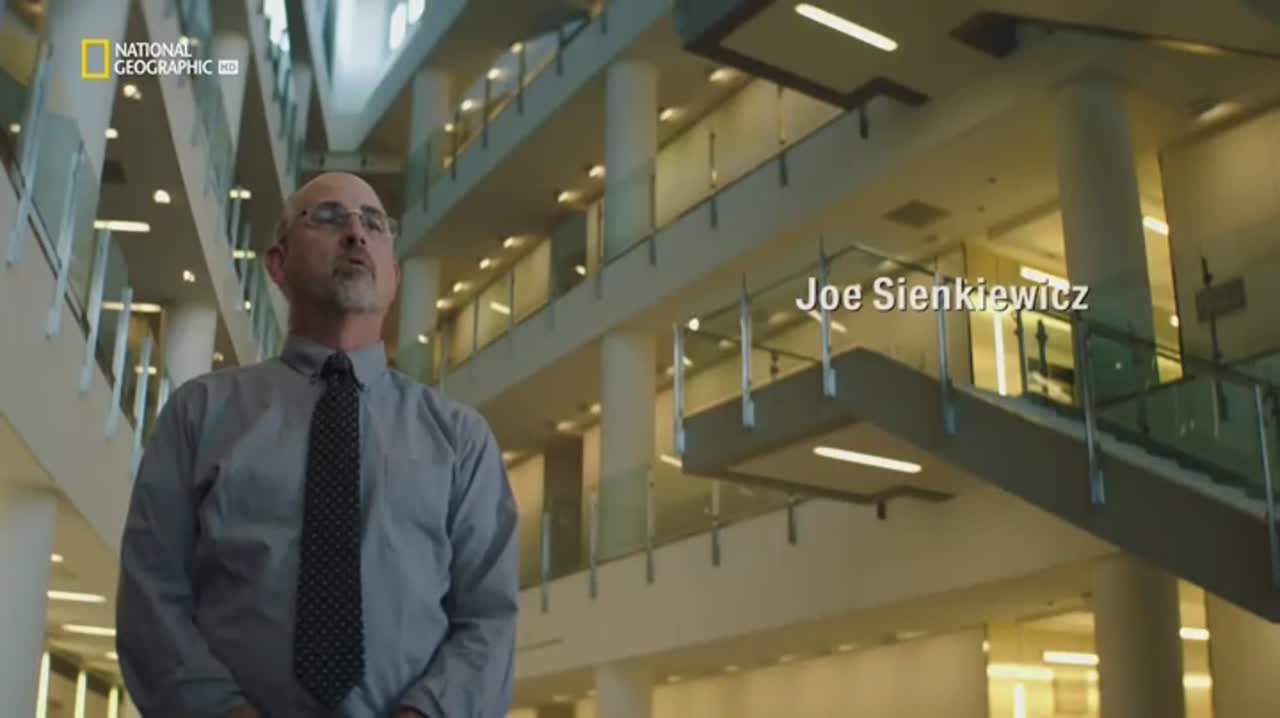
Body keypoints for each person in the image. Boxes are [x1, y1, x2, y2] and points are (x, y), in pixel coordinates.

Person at [116, 172, 518, 718]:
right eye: (329, 218)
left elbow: (488, 619)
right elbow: (152, 595)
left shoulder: (461, 443)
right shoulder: (199, 415)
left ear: (394, 275)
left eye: (373, 223)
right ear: (278, 263)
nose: (355, 233)